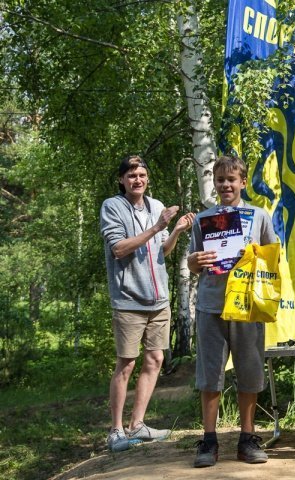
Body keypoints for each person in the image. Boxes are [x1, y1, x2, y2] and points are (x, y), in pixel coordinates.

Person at [100, 155, 195, 452]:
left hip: (159, 299)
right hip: (128, 299)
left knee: (155, 360)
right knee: (126, 363)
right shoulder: (112, 206)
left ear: (147, 178)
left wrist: (175, 230)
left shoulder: (156, 206)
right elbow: (119, 249)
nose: (137, 180)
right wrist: (157, 227)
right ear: (121, 180)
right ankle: (116, 431)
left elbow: (162, 252)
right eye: (131, 175)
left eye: (141, 174)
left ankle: (138, 424)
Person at [188, 155, 276, 468]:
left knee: (250, 373)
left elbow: (273, 256)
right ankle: (209, 441)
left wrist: (253, 254)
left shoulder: (259, 216)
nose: (226, 185)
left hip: (247, 306)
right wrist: (195, 261)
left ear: (243, 182)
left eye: (231, 179)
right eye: (220, 180)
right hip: (211, 305)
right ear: (214, 182)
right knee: (210, 375)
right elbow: (193, 263)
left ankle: (247, 439)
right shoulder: (203, 219)